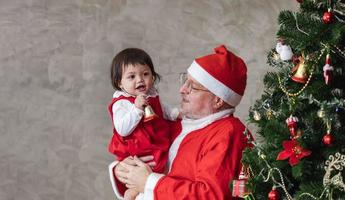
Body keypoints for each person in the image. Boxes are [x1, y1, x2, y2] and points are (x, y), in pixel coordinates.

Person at [109, 45, 252, 200]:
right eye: (185, 80)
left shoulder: (230, 134)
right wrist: (122, 170)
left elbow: (212, 195)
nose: (182, 89)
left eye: (193, 87)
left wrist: (148, 182)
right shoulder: (178, 123)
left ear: (218, 100)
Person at [107, 48, 178, 200]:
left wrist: (174, 114)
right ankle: (129, 195)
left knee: (160, 173)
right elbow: (122, 129)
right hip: (137, 148)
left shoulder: (151, 95)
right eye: (131, 76)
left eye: (145, 74)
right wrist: (136, 109)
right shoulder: (121, 103)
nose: (139, 80)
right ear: (120, 82)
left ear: (152, 76)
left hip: (155, 142)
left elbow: (161, 109)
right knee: (140, 178)